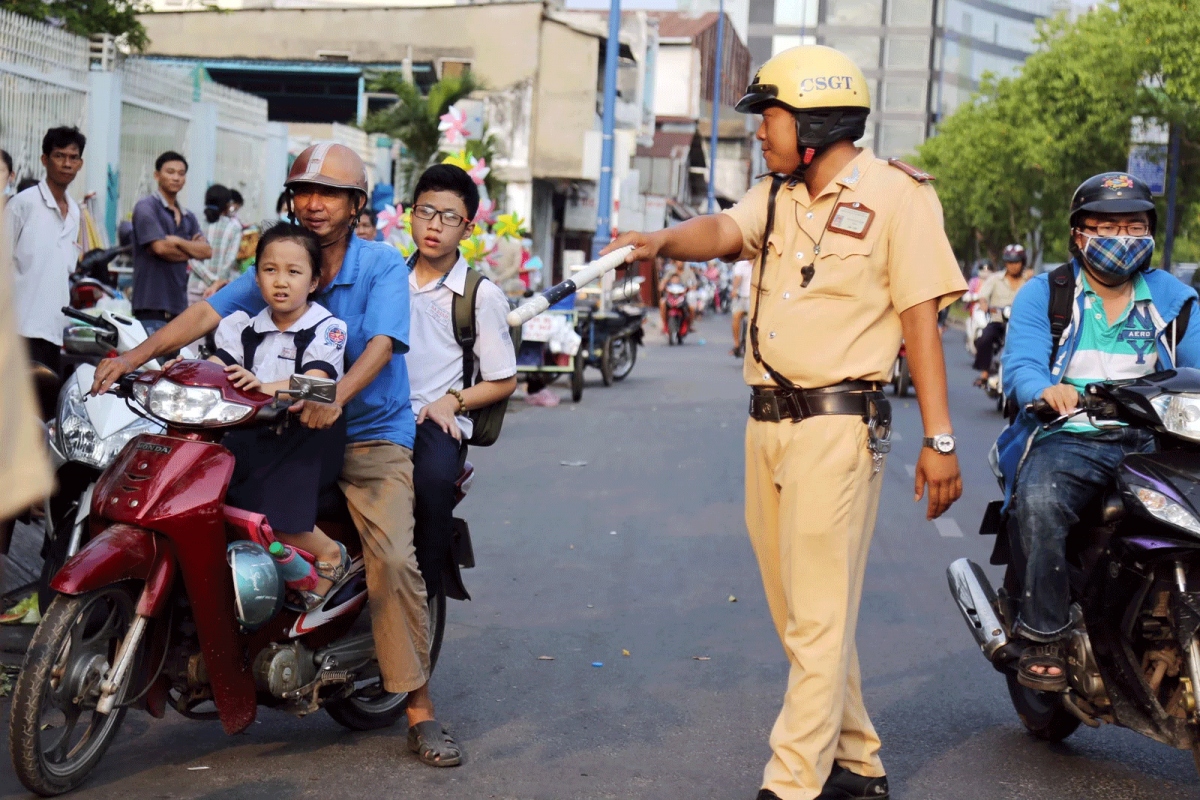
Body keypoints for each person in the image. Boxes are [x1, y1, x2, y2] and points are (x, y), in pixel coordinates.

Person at [605, 45, 965, 800]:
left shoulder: (900, 198)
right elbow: (725, 232)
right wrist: (662, 240)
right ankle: (860, 762)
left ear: (815, 121)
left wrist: (940, 440)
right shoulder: (778, 193)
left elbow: (921, 321)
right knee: (805, 613)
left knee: (818, 616)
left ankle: (792, 782)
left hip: (838, 426)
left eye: (768, 117)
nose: (759, 133)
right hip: (765, 423)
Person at [91, 142, 448, 768]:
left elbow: (385, 344)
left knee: (392, 558)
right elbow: (206, 311)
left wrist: (336, 395)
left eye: (330, 194)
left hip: (368, 433)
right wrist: (132, 358)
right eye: (305, 192)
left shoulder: (382, 265)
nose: (314, 203)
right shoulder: (281, 256)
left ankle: (420, 710)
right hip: (275, 426)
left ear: (355, 203)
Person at [997, 172, 1200, 691]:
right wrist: (1045, 391)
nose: (1121, 238)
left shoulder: (1176, 300)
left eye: (1134, 226)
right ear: (1078, 235)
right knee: (1039, 499)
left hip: (1158, 442)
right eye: (1106, 227)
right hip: (1072, 436)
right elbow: (1022, 364)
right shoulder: (1046, 294)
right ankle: (1044, 633)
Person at [404, 164, 516, 664]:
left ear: (467, 228)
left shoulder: (480, 295)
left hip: (436, 423)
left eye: (448, 217)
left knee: (430, 486)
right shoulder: (389, 278)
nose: (434, 224)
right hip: (380, 416)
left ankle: (419, 603)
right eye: (426, 211)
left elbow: (503, 378)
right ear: (410, 215)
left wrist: (451, 400)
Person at [207, 222, 350, 607]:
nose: (281, 281)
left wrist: (260, 385)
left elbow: (320, 385)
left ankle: (330, 554)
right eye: (270, 270)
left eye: (294, 271)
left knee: (262, 504)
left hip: (305, 437)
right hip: (250, 435)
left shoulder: (327, 328)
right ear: (257, 278)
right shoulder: (242, 328)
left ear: (314, 280)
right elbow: (213, 369)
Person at [4, 126, 87, 373]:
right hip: (17, 329)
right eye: (59, 156)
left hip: (52, 333)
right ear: (45, 159)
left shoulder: (74, 212)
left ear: (80, 164)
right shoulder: (23, 204)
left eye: (73, 158)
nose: (66, 164)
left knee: (43, 406)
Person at [131, 151, 211, 336]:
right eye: (170, 172)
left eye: (181, 173)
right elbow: (160, 247)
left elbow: (206, 251)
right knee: (152, 364)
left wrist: (175, 241)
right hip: (151, 304)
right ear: (157, 175)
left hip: (179, 307)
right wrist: (191, 250)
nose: (176, 177)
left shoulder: (188, 216)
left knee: (173, 364)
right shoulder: (146, 207)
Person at [972, 244, 1029, 386]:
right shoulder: (995, 279)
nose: (1013, 266)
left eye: (1016, 262)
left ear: (1023, 262)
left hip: (1020, 322)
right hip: (998, 318)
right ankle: (985, 372)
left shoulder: (1029, 281)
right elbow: (983, 296)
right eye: (1010, 262)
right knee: (985, 337)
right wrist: (984, 305)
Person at [187, 184, 243, 305]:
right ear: (227, 205)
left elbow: (191, 258)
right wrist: (216, 282)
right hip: (220, 290)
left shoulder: (196, 225)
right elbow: (230, 260)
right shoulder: (234, 228)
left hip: (195, 287)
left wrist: (209, 278)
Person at [657, 259, 694, 333]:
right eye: (678, 261)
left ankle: (690, 325)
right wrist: (662, 286)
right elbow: (664, 281)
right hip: (671, 296)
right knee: (662, 303)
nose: (680, 263)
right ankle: (664, 324)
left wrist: (690, 288)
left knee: (692, 307)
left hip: (684, 296)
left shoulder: (689, 272)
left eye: (681, 261)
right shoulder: (671, 271)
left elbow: (694, 284)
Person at [730, 258, 752, 353]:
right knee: (736, 317)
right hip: (742, 297)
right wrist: (734, 290)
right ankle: (736, 344)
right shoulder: (741, 264)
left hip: (755, 298)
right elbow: (738, 278)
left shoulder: (762, 261)